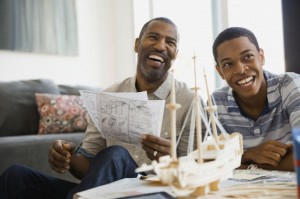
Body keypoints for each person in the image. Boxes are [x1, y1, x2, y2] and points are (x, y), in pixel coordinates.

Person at [0, 17, 195, 199]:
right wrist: (69, 157)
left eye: (170, 42)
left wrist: (174, 159)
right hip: (103, 192)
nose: (161, 46)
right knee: (16, 176)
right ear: (137, 44)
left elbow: (201, 172)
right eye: (153, 37)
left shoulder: (189, 100)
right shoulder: (109, 96)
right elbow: (87, 168)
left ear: (175, 54)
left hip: (155, 192)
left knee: (116, 154)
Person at [211, 26, 300, 171]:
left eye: (247, 57)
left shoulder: (290, 85)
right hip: (238, 193)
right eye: (228, 64)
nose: (240, 70)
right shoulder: (216, 103)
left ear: (261, 57)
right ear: (220, 71)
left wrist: (241, 163)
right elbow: (209, 163)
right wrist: (248, 155)